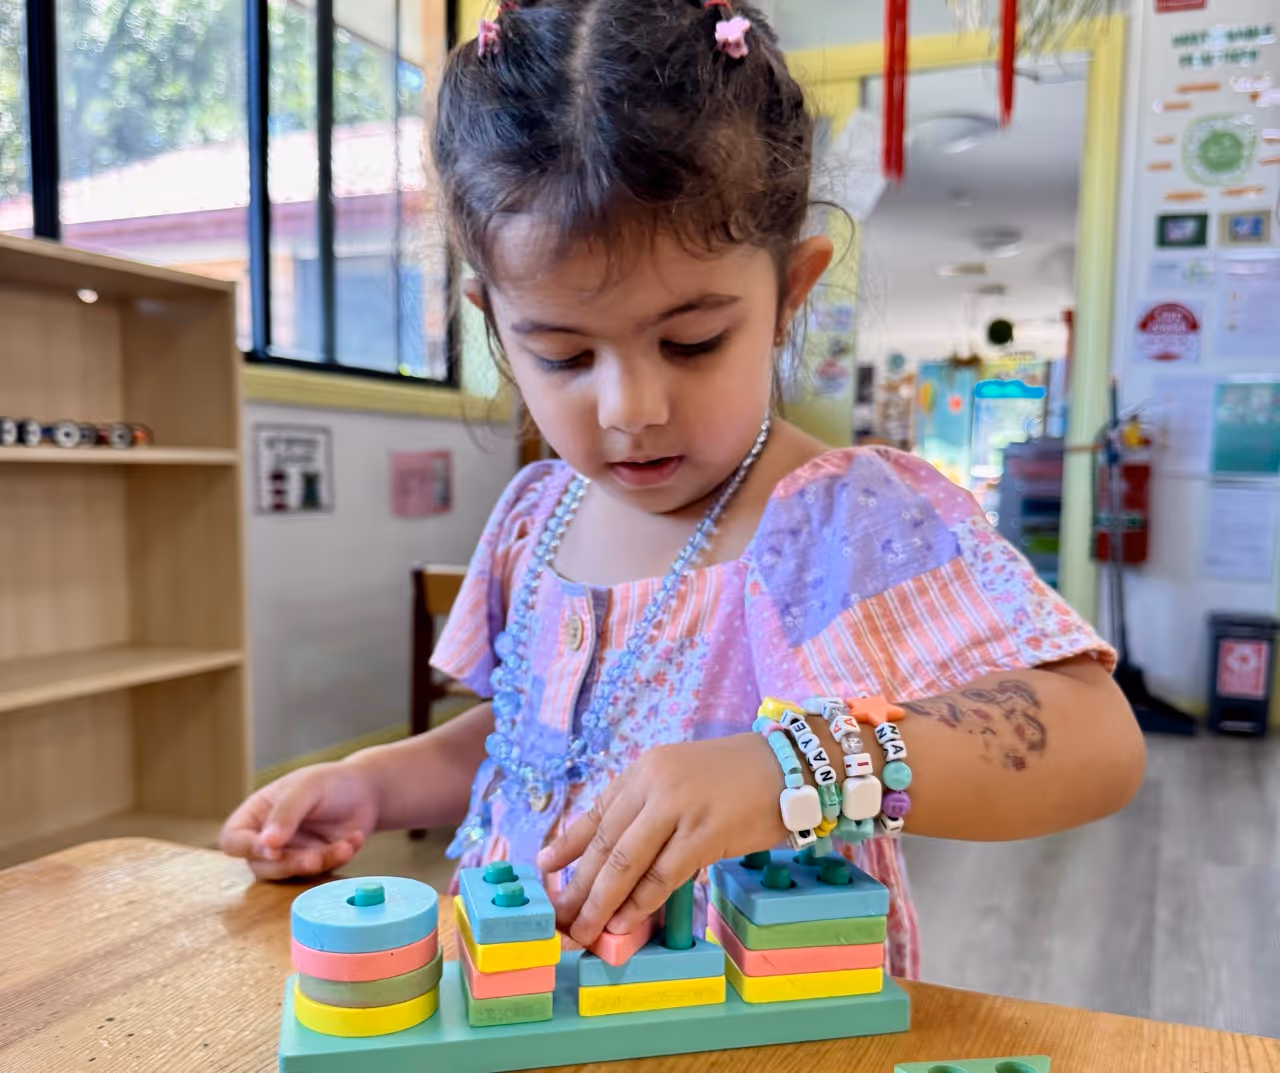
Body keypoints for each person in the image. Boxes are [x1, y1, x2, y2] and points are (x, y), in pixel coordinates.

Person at [220, 0, 1143, 978]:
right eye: (564, 353)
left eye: (692, 341)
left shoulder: (842, 517)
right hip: (520, 996)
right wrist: (375, 782)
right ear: (492, 322)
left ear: (789, 293)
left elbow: (1092, 739)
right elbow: (531, 746)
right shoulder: (538, 516)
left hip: (757, 1011)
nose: (632, 407)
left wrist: (786, 769)